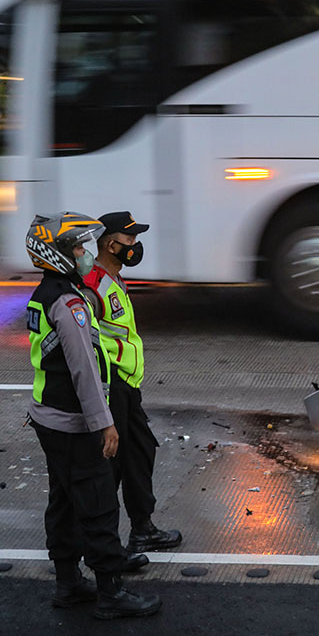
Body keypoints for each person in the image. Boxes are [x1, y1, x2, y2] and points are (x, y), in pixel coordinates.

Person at [24, 212, 161, 619]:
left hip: (48, 417)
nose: (87, 254)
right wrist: (105, 424)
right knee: (99, 503)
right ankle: (110, 592)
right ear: (61, 254)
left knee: (63, 502)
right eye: (80, 248)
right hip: (74, 422)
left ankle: (68, 584)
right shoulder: (70, 303)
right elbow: (84, 370)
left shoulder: (43, 295)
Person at [82, 211, 182, 554]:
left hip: (127, 385)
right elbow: (86, 343)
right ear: (111, 244)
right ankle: (102, 540)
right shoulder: (92, 285)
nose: (136, 247)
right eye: (130, 241)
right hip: (111, 387)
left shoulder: (113, 278)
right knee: (110, 464)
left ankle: (143, 529)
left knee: (140, 451)